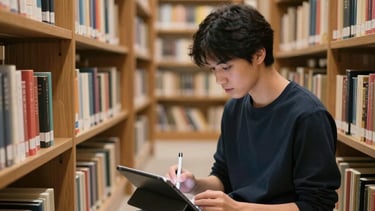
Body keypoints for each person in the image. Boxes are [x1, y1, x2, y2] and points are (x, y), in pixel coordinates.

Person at [167, 4, 340, 211]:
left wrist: (239, 209)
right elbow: (224, 176)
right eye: (214, 69)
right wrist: (194, 185)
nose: (219, 79)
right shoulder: (234, 108)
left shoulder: (308, 116)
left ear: (259, 55)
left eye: (226, 67)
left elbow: (316, 205)